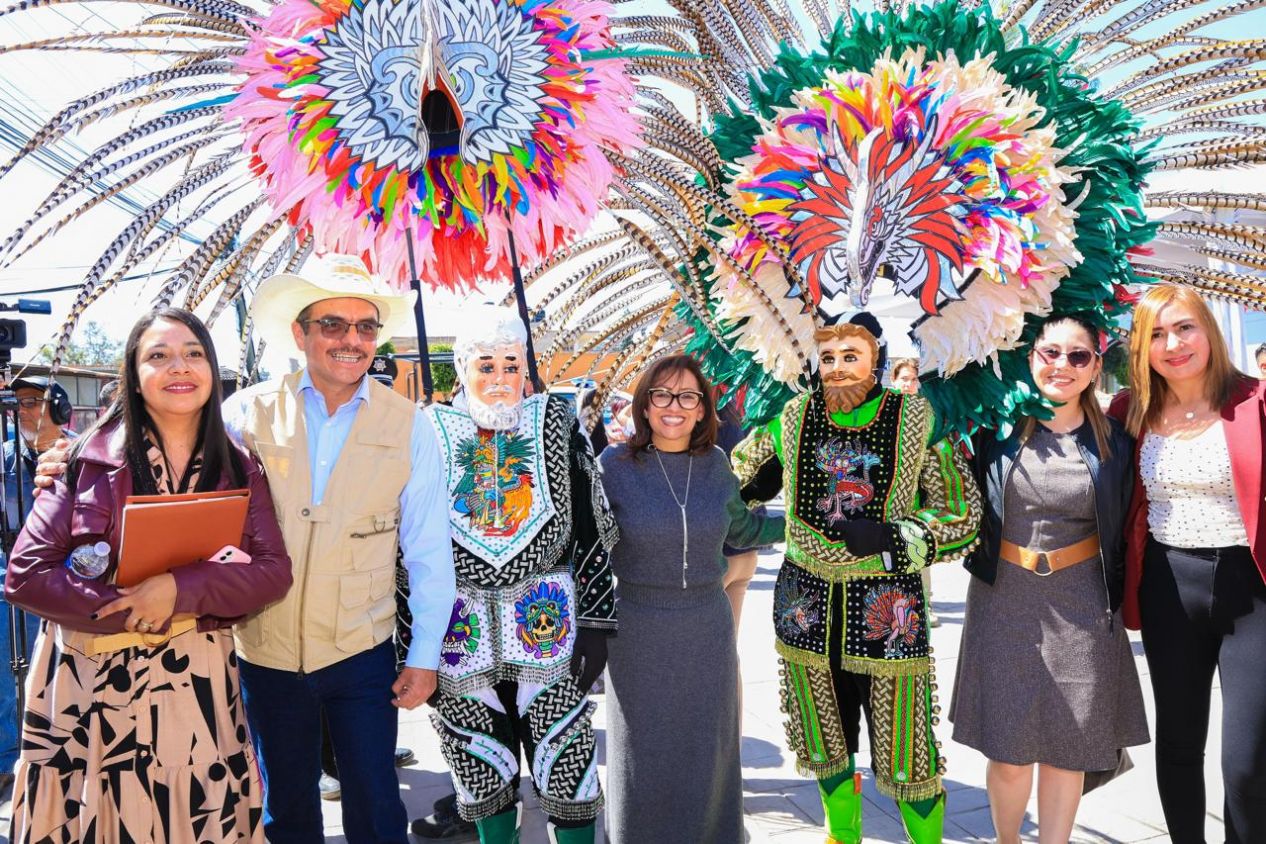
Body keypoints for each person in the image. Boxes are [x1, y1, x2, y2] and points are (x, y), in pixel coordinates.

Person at [4, 307, 293, 841]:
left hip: (195, 689)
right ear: (133, 377)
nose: (178, 367)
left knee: (194, 816)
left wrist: (181, 589)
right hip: (87, 688)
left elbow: (273, 572)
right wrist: (131, 603)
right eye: (157, 356)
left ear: (212, 369)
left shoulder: (238, 466)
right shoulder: (82, 461)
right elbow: (25, 573)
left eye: (193, 354)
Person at [733, 314, 981, 844]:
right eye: (829, 358)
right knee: (823, 738)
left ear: (877, 362)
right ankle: (841, 835)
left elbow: (961, 513)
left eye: (852, 356)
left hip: (888, 611)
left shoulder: (917, 419)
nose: (839, 368)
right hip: (806, 608)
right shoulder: (791, 417)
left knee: (908, 749)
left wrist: (899, 538)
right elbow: (734, 483)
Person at [951, 315, 1149, 844]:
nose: (1062, 365)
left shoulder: (1116, 440)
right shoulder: (992, 427)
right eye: (1050, 353)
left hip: (1083, 601)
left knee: (1069, 748)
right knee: (1010, 752)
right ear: (1031, 357)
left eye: (1077, 356)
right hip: (1004, 598)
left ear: (1094, 369)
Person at [423, 305, 617, 844]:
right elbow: (406, 546)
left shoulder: (557, 420)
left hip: (548, 625)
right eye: (487, 366)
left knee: (569, 761)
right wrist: (411, 648)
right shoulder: (428, 431)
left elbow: (592, 525)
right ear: (462, 369)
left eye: (511, 365)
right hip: (459, 633)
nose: (501, 379)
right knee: (480, 763)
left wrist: (598, 622)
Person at [599, 355, 784, 844]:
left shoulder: (717, 466)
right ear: (644, 405)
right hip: (638, 629)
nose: (673, 406)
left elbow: (743, 528)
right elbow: (586, 544)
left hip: (706, 626)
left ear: (703, 409)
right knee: (642, 752)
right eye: (661, 395)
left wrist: (808, 522)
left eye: (687, 396)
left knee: (708, 751)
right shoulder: (614, 467)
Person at [1109, 285, 1266, 844]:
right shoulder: (1130, 410)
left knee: (1247, 761)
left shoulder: (1256, 400)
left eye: (1184, 328)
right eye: (1156, 334)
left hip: (1252, 594)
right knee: (1178, 743)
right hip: (1168, 587)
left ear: (1209, 331)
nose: (1172, 344)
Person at [0, 375, 75, 791]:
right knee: (4, 675)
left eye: (32, 400)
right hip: (12, 575)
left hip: (67, 578)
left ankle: (62, 754)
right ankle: (9, 758)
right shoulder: (5, 458)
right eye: (16, 401)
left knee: (58, 670)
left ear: (59, 406)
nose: (22, 409)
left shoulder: (80, 452)